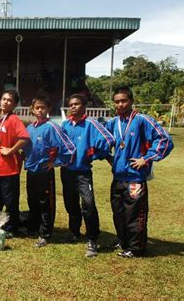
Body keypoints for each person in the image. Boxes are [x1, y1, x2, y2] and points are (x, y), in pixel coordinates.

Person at [106, 87, 173, 258]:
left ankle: (136, 248)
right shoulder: (113, 122)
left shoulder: (143, 120)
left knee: (134, 215)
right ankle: (123, 241)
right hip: (118, 177)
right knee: (119, 213)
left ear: (131, 101)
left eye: (124, 101)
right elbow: (103, 140)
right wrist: (108, 157)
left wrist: (147, 158)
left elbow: (164, 139)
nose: (120, 104)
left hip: (135, 178)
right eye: (117, 101)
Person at [61, 94, 115, 257]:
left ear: (84, 106)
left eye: (77, 104)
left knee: (88, 204)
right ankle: (74, 232)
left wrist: (93, 154)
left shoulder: (91, 124)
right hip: (66, 171)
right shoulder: (65, 125)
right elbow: (59, 144)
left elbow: (109, 139)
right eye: (71, 104)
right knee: (71, 204)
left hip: (83, 173)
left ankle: (92, 238)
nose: (73, 107)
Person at [24, 95, 76, 248]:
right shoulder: (29, 128)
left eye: (43, 107)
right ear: (32, 110)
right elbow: (25, 148)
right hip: (31, 171)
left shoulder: (52, 127)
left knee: (46, 202)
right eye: (37, 108)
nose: (40, 110)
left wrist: (55, 162)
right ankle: (33, 228)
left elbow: (69, 148)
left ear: (48, 109)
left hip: (44, 171)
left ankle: (45, 233)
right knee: (32, 201)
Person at [0, 89, 29, 237]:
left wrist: (11, 150)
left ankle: (12, 227)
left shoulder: (14, 120)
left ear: (14, 104)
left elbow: (25, 138)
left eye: (9, 100)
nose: (5, 102)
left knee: (10, 199)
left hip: (10, 167)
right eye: (3, 98)